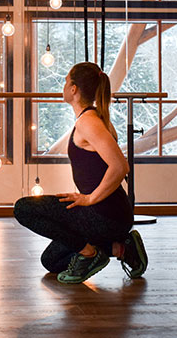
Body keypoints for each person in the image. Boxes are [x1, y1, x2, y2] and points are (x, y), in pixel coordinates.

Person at [13, 62, 148, 284]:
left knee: (23, 208)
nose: (64, 86)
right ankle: (121, 248)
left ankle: (90, 253)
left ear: (74, 89)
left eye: (66, 81)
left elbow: (121, 166)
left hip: (107, 215)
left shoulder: (89, 122)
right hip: (101, 216)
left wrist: (88, 199)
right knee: (52, 261)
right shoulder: (89, 119)